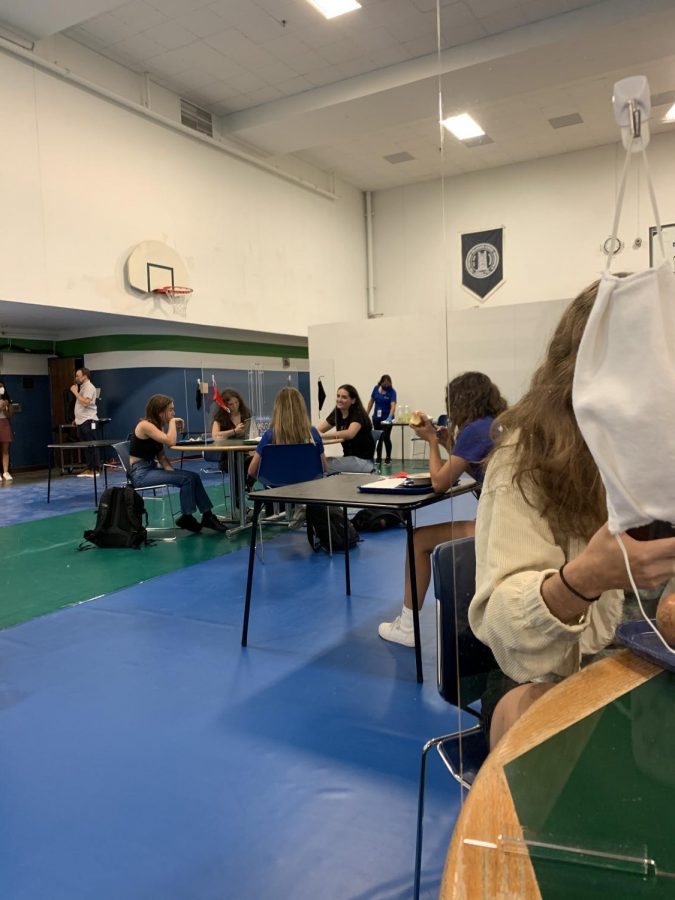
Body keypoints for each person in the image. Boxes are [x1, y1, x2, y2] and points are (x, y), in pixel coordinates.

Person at [469, 279, 675, 750]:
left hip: (656, 683)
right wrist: (582, 579)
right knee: (528, 710)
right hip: (553, 673)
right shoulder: (525, 459)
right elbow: (505, 632)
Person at [378, 371, 508, 647]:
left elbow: (439, 482)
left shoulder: (474, 430)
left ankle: (408, 627)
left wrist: (432, 442)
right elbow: (471, 463)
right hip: (508, 523)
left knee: (418, 540)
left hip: (497, 528)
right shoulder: (494, 425)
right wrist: (450, 443)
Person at [129, 394, 227, 533]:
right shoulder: (145, 425)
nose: (173, 413)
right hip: (141, 473)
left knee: (193, 476)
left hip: (152, 469)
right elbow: (171, 442)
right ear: (159, 411)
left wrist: (172, 472)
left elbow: (161, 455)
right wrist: (173, 423)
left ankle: (207, 516)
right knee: (187, 479)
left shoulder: (157, 427)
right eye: (170, 410)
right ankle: (187, 516)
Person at [248, 386, 327, 479]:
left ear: (278, 409)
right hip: (307, 487)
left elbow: (251, 471)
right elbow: (324, 467)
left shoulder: (270, 435)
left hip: (276, 489)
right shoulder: (313, 433)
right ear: (301, 408)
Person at [211, 388, 253, 513]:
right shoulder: (219, 418)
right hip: (227, 457)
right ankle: (238, 501)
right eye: (231, 404)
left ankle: (247, 484)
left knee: (257, 461)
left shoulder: (246, 415)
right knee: (236, 467)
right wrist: (233, 431)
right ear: (225, 405)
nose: (235, 406)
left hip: (244, 453)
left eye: (237, 403)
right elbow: (215, 436)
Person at [318, 384, 375, 473]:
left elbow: (349, 434)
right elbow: (319, 430)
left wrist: (323, 435)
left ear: (353, 400)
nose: (339, 400)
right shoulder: (337, 412)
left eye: (344, 397)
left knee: (322, 465)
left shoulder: (358, 413)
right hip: (349, 459)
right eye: (338, 396)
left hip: (363, 461)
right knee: (320, 462)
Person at [70, 367, 99, 477]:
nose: (76, 378)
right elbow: (81, 406)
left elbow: (86, 402)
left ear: (85, 376)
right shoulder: (82, 387)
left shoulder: (89, 387)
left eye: (78, 376)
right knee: (86, 446)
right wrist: (76, 419)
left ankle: (95, 469)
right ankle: (89, 468)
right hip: (82, 421)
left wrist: (74, 392)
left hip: (89, 420)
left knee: (92, 445)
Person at [367, 374, 397, 465]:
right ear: (381, 382)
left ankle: (388, 458)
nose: (386, 385)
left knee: (386, 437)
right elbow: (371, 401)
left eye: (388, 384)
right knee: (378, 438)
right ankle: (378, 458)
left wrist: (390, 417)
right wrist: (366, 413)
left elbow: (393, 406)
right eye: (384, 383)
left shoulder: (392, 392)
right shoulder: (376, 389)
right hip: (376, 418)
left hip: (387, 420)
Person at [0, 381, 14, 481]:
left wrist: (4, 409)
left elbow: (10, 416)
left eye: (1, 386)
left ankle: (5, 471)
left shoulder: (7, 400)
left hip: (4, 423)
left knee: (5, 449)